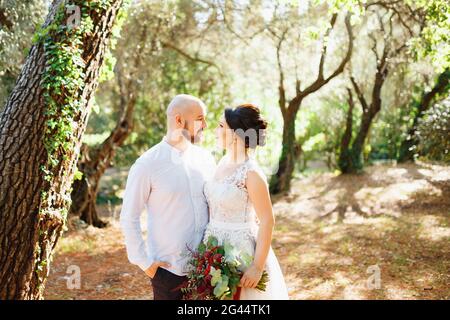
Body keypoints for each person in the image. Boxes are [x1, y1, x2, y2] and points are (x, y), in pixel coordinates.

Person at [120, 94, 216, 300]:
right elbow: (129, 217)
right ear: (179, 120)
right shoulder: (147, 164)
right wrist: (145, 263)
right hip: (169, 272)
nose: (205, 125)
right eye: (200, 118)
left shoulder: (206, 159)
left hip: (208, 269)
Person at [203, 103, 289, 299]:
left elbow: (267, 221)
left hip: (241, 254)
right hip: (213, 248)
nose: (215, 131)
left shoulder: (251, 173)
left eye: (221, 126)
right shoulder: (222, 163)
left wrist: (257, 267)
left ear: (236, 134)